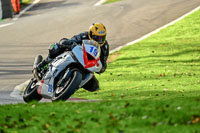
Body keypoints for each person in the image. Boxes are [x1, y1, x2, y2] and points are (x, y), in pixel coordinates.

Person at [35, 23, 109, 92]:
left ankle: (70, 86)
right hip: (75, 55)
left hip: (86, 65)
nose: (100, 40)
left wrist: (101, 68)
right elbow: (69, 40)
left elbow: (103, 62)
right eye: (97, 37)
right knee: (57, 47)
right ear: (91, 34)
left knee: (95, 86)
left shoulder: (105, 47)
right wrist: (70, 43)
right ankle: (42, 64)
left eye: (102, 38)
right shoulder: (84, 36)